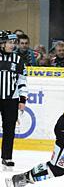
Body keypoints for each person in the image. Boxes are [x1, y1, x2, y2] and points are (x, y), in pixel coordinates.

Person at [0, 30, 28, 170]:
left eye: (13, 42)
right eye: (9, 42)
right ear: (2, 44)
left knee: (9, 129)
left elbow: (22, 81)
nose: (12, 45)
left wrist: (22, 99)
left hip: (11, 99)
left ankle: (7, 157)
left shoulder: (18, 60)